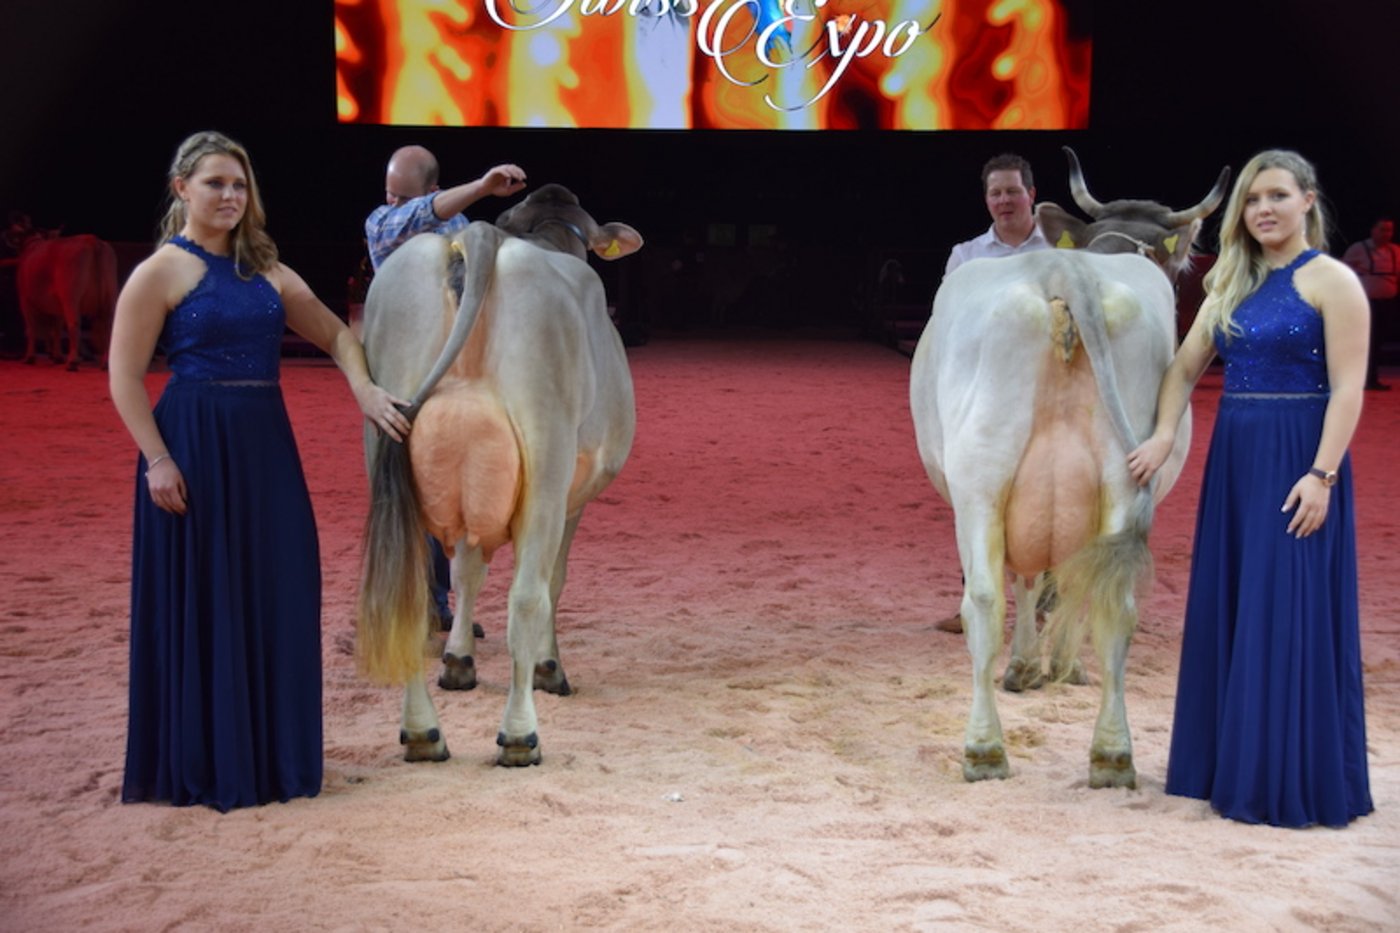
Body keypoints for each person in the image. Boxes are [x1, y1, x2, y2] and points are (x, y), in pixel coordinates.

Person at [110, 131, 411, 811]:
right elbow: (124, 376)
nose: (229, 196)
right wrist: (157, 459)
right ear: (181, 187)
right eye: (215, 183)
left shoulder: (268, 270)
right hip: (190, 442)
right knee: (205, 593)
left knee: (280, 581)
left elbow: (336, 332)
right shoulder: (161, 270)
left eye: (239, 185)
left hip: (265, 444)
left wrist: (363, 390)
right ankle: (205, 762)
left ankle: (274, 759)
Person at [1127, 149, 1373, 828]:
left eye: (1276, 195)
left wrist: (1322, 475)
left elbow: (1350, 388)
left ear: (1308, 201)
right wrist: (1162, 434)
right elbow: (1182, 370)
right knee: (1238, 604)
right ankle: (1226, 768)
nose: (1263, 208)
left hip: (1301, 457)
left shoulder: (1332, 281)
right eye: (1252, 199)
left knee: (1286, 606)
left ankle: (1285, 777)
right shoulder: (1228, 282)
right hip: (1236, 459)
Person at [365, 145, 526, 630]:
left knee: (446, 499)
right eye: (390, 195)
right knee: (405, 497)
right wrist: (482, 187)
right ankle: (416, 606)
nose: (392, 205)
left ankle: (441, 606)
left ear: (433, 188)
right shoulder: (382, 223)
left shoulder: (463, 232)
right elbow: (412, 218)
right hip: (401, 383)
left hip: (457, 379)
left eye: (403, 196)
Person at [937, 153, 1052, 633]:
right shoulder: (966, 255)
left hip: (1047, 394)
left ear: (1031, 194)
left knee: (1049, 494)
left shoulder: (1061, 250)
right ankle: (976, 604)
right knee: (976, 495)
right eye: (995, 193)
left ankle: (1047, 607)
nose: (1003, 200)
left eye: (1011, 191)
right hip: (984, 399)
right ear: (987, 200)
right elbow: (948, 323)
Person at [1341, 216, 1398, 390]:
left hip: (1387, 302)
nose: (1386, 233)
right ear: (1373, 230)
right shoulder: (1359, 249)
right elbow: (1342, 269)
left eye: (1389, 230)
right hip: (1365, 303)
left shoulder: (1395, 251)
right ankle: (1362, 378)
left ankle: (1372, 377)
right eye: (1382, 229)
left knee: (1378, 341)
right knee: (1366, 341)